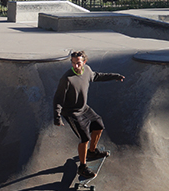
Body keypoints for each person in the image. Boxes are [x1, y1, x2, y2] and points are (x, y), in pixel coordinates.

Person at [53, 51, 125, 179]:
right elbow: (58, 99)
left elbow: (96, 76)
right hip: (71, 112)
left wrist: (114, 76)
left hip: (83, 108)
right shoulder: (66, 79)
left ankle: (91, 152)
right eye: (73, 63)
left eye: (78, 63)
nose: (75, 66)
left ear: (84, 62)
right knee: (84, 138)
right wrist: (57, 116)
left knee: (99, 125)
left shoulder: (87, 70)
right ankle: (82, 167)